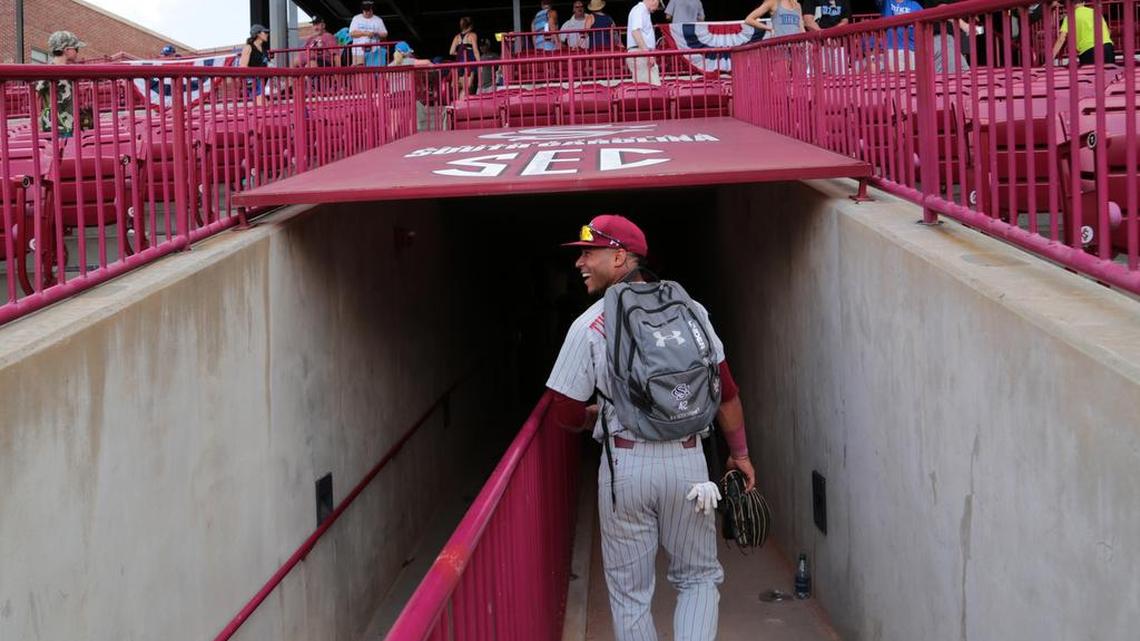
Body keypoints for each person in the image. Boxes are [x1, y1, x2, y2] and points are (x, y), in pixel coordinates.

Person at [546, 214, 755, 641]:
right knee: (698, 578)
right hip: (689, 465)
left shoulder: (588, 325)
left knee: (630, 595)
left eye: (589, 253)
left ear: (620, 256)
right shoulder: (692, 310)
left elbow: (563, 412)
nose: (579, 263)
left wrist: (592, 417)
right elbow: (726, 392)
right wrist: (741, 455)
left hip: (626, 468)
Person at [36, 31, 93, 137]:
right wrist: (38, 119)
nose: (77, 52)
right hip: (54, 125)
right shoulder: (48, 70)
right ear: (66, 50)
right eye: (76, 49)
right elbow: (36, 94)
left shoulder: (69, 70)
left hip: (69, 124)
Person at [1052, 1, 1115, 65]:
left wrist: (1050, 59)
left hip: (1089, 50)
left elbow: (1061, 39)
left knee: (1092, 74)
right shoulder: (1095, 12)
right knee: (1108, 73)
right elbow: (1108, 32)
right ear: (1083, 2)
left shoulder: (1070, 17)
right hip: (1108, 47)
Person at [627, 0, 662, 85]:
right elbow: (635, 32)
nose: (657, 8)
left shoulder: (641, 10)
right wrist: (648, 54)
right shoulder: (640, 10)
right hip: (640, 53)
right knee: (650, 88)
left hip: (641, 53)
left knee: (646, 88)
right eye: (659, 4)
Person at [239, 24, 272, 104]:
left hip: (262, 82)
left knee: (266, 104)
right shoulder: (248, 47)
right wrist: (250, 84)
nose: (267, 34)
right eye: (265, 32)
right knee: (262, 104)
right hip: (254, 81)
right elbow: (243, 67)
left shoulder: (264, 50)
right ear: (258, 34)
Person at [350, 0, 388, 65]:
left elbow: (385, 34)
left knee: (372, 72)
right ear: (362, 10)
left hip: (374, 52)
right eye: (365, 11)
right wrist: (365, 33)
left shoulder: (378, 20)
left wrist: (376, 34)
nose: (367, 13)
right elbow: (352, 33)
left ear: (372, 10)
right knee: (359, 71)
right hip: (358, 51)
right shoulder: (356, 18)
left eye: (369, 11)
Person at [449, 17, 480, 98]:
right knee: (467, 88)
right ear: (470, 26)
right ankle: (463, 106)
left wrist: (460, 53)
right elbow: (476, 50)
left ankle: (460, 104)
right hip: (469, 63)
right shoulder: (472, 35)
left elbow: (451, 52)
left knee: (464, 88)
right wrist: (480, 63)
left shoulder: (457, 37)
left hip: (460, 63)